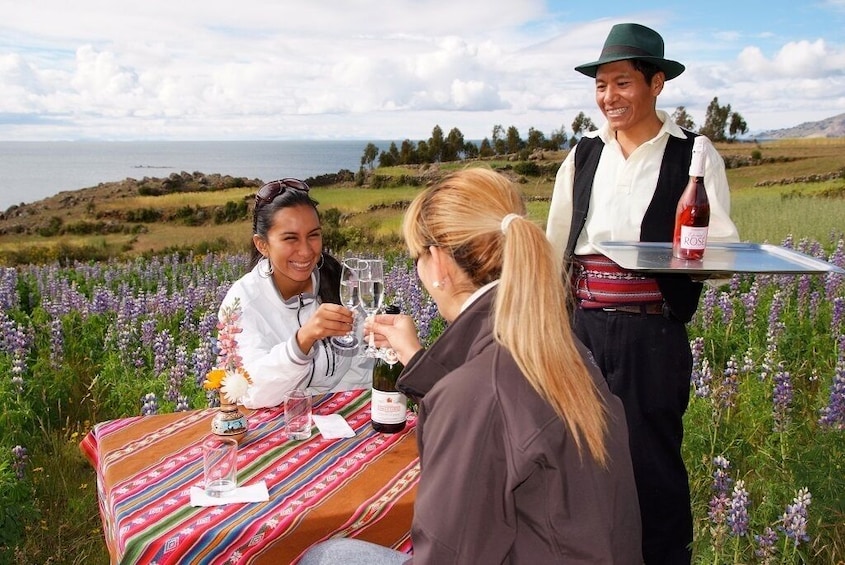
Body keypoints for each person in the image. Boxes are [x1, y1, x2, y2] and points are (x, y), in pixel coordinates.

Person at [300, 168, 642, 564]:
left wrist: (448, 395)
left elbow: (448, 552)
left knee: (327, 556)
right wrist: (417, 358)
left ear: (440, 264)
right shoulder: (556, 344)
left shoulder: (478, 391)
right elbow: (500, 419)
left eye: (418, 258)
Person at [545, 23, 740, 564]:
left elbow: (719, 250)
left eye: (623, 83)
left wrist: (678, 256)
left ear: (656, 83)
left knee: (649, 468)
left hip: (651, 333)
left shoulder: (694, 157)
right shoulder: (583, 155)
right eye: (602, 85)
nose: (609, 97)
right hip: (581, 329)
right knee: (576, 459)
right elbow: (555, 242)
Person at [217, 178, 372, 409]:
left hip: (342, 418)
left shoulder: (342, 283)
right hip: (271, 427)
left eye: (313, 235)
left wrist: (335, 412)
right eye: (290, 238)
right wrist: (301, 343)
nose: (306, 251)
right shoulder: (242, 302)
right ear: (262, 245)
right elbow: (248, 392)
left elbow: (362, 368)